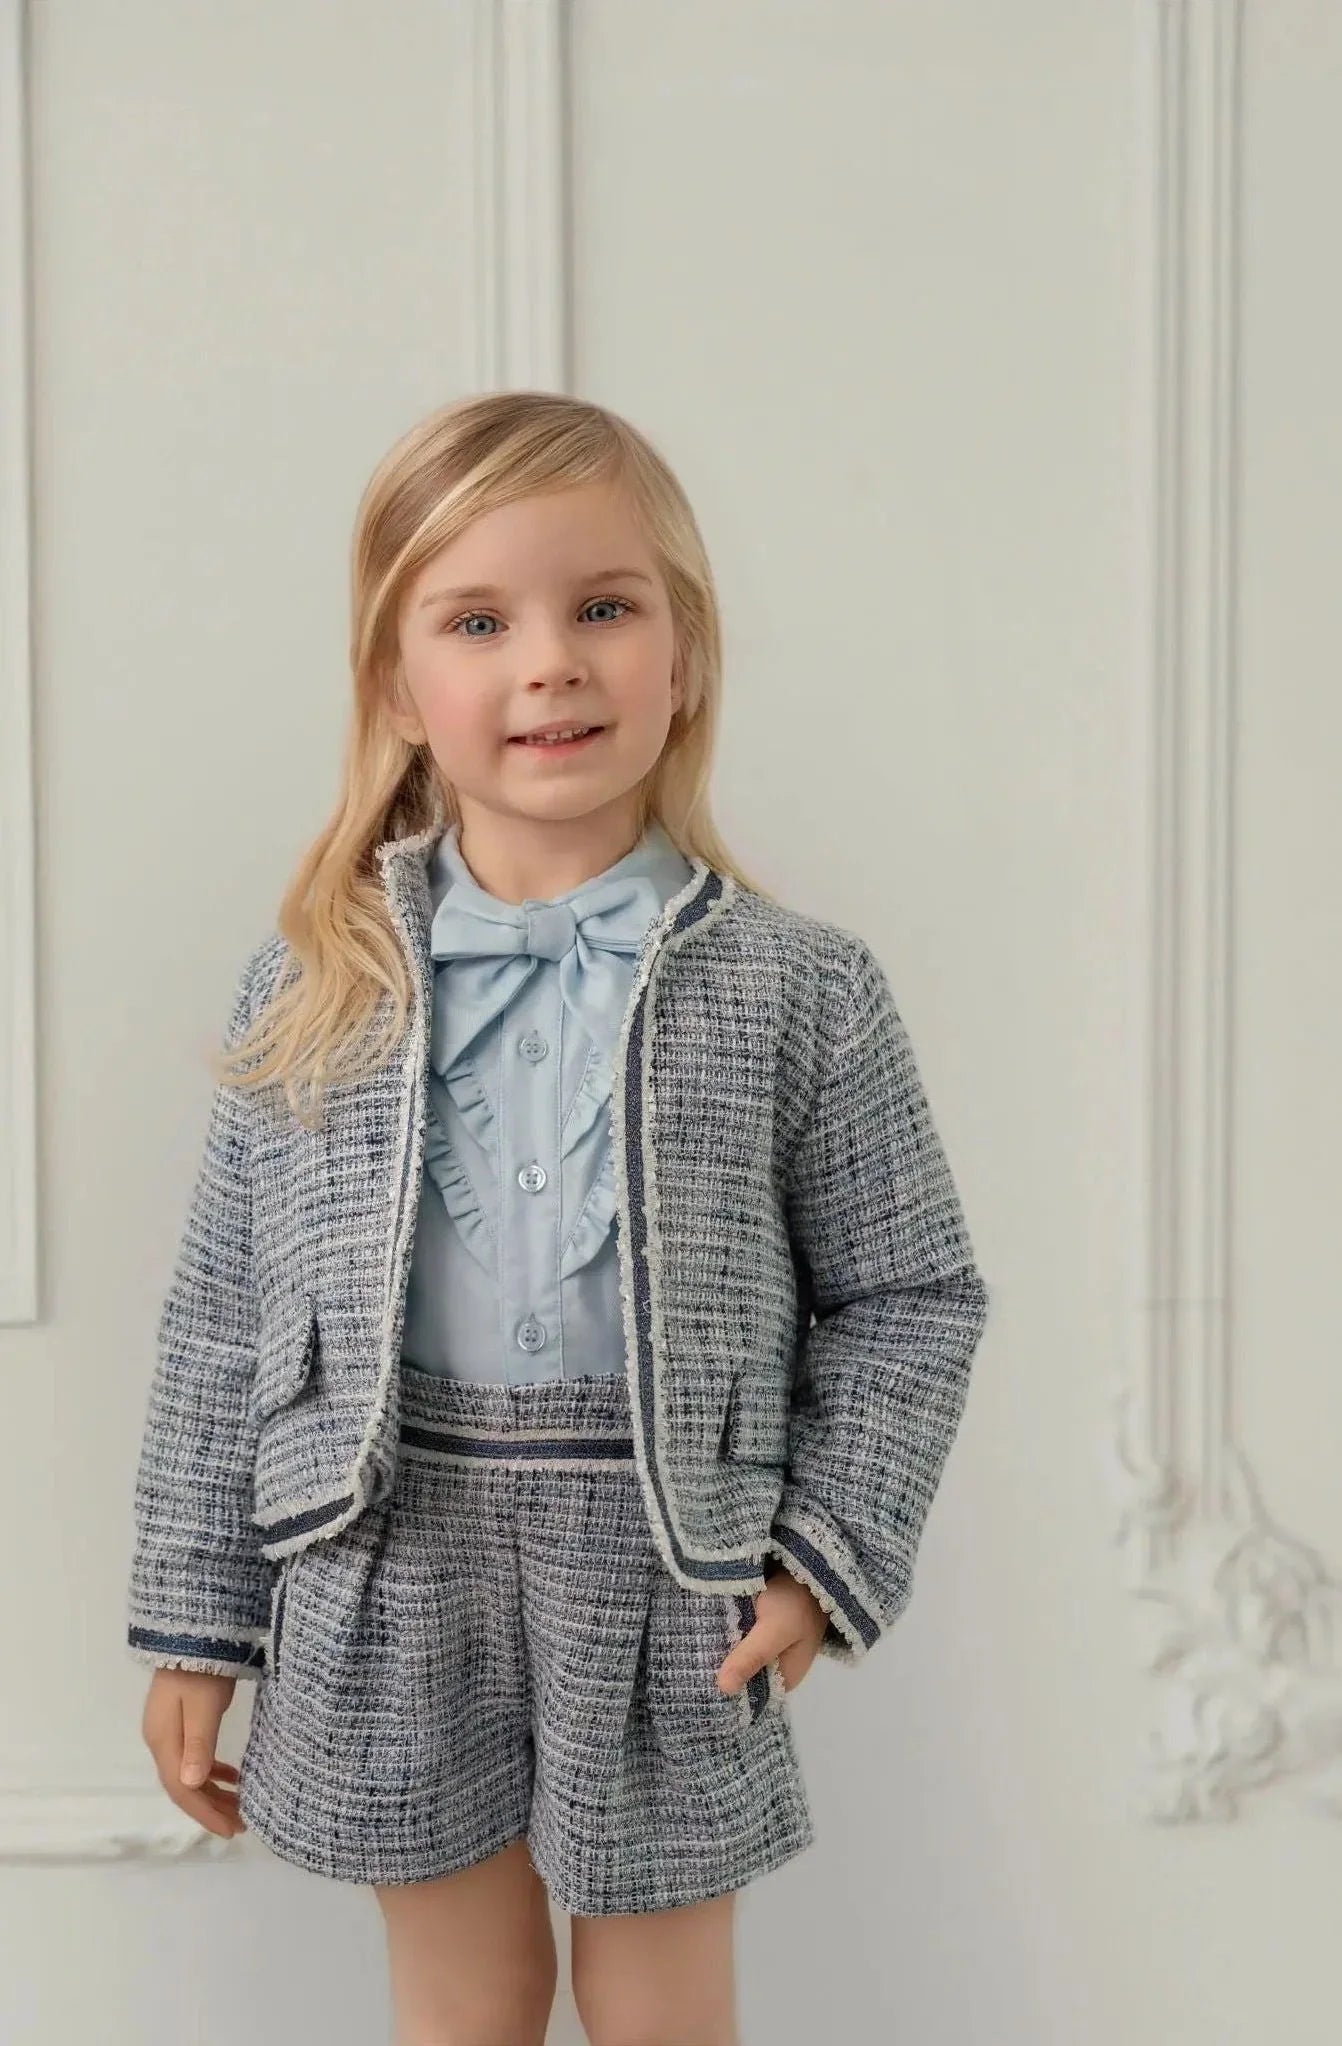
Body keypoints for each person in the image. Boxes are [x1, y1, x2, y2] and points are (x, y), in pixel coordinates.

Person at [124, 389, 990, 2045]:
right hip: (393, 1542)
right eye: (479, 619)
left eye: (604, 607)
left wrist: (817, 1560)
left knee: (665, 2009)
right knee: (463, 2006)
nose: (551, 662)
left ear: (686, 654)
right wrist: (196, 1619)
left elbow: (910, 1291)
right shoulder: (319, 990)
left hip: (673, 1560)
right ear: (399, 683)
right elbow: (223, 1317)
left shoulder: (803, 991)